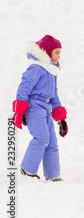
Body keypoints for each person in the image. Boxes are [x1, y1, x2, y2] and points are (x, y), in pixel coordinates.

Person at [12, 35, 69, 182]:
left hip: (46, 108)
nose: (59, 55)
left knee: (51, 142)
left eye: (59, 52)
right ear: (47, 53)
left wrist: (61, 119)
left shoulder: (52, 72)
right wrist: (19, 112)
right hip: (34, 107)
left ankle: (52, 175)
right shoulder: (36, 69)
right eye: (56, 52)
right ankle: (27, 169)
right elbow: (23, 89)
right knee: (42, 137)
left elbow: (53, 95)